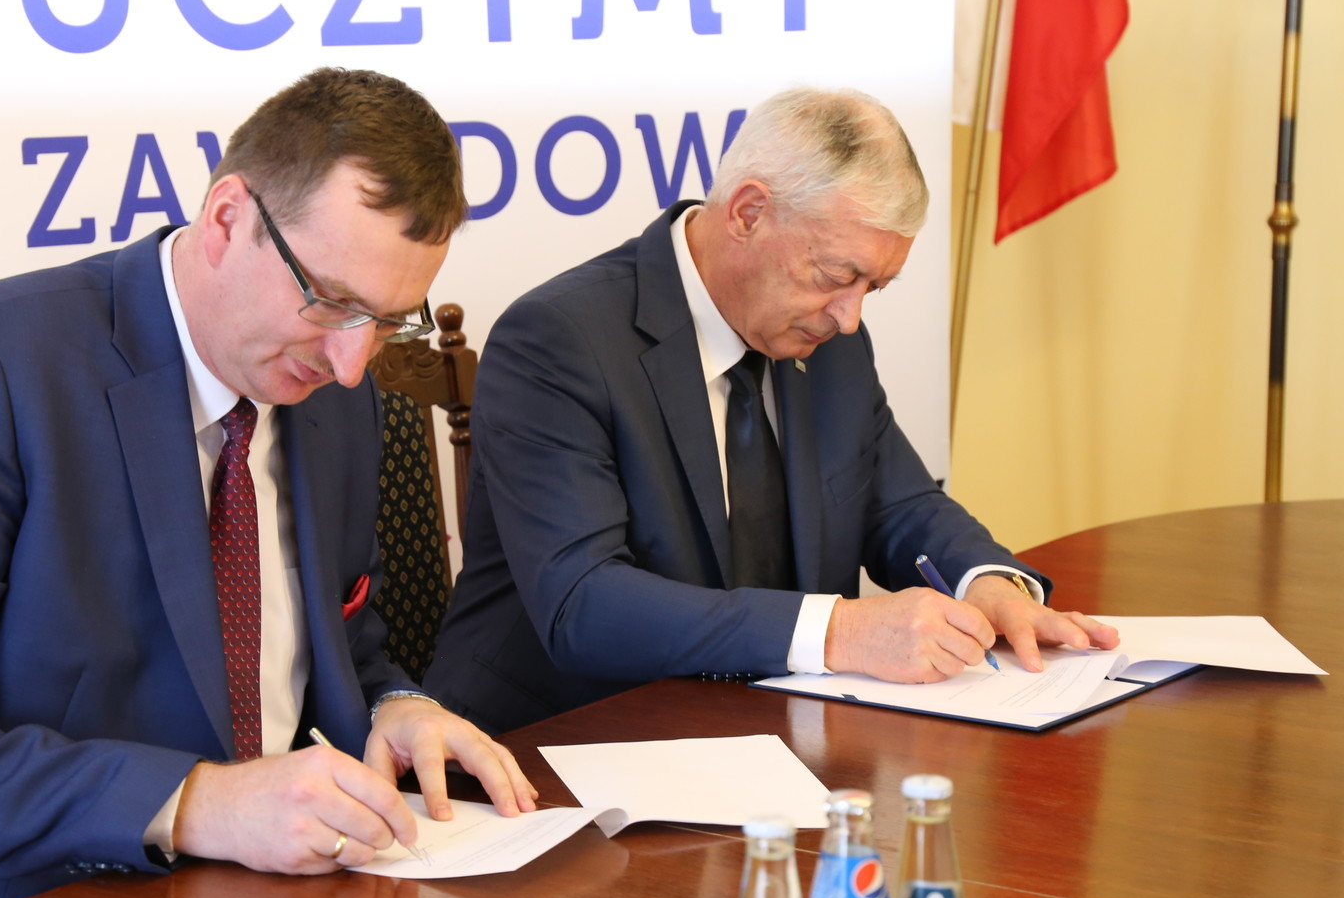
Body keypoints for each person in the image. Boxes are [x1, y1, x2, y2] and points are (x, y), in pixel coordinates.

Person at [0, 67, 536, 898]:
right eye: (329, 299)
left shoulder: (333, 393)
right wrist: (198, 803)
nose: (353, 361)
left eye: (386, 320)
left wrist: (396, 706)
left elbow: (337, 639)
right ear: (227, 219)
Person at [422, 87, 1119, 736]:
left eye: (874, 287)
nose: (850, 317)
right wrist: (841, 631)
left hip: (767, 733)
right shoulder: (558, 340)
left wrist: (988, 582)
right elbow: (584, 605)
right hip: (555, 745)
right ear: (749, 213)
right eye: (836, 276)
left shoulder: (830, 340)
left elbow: (898, 503)